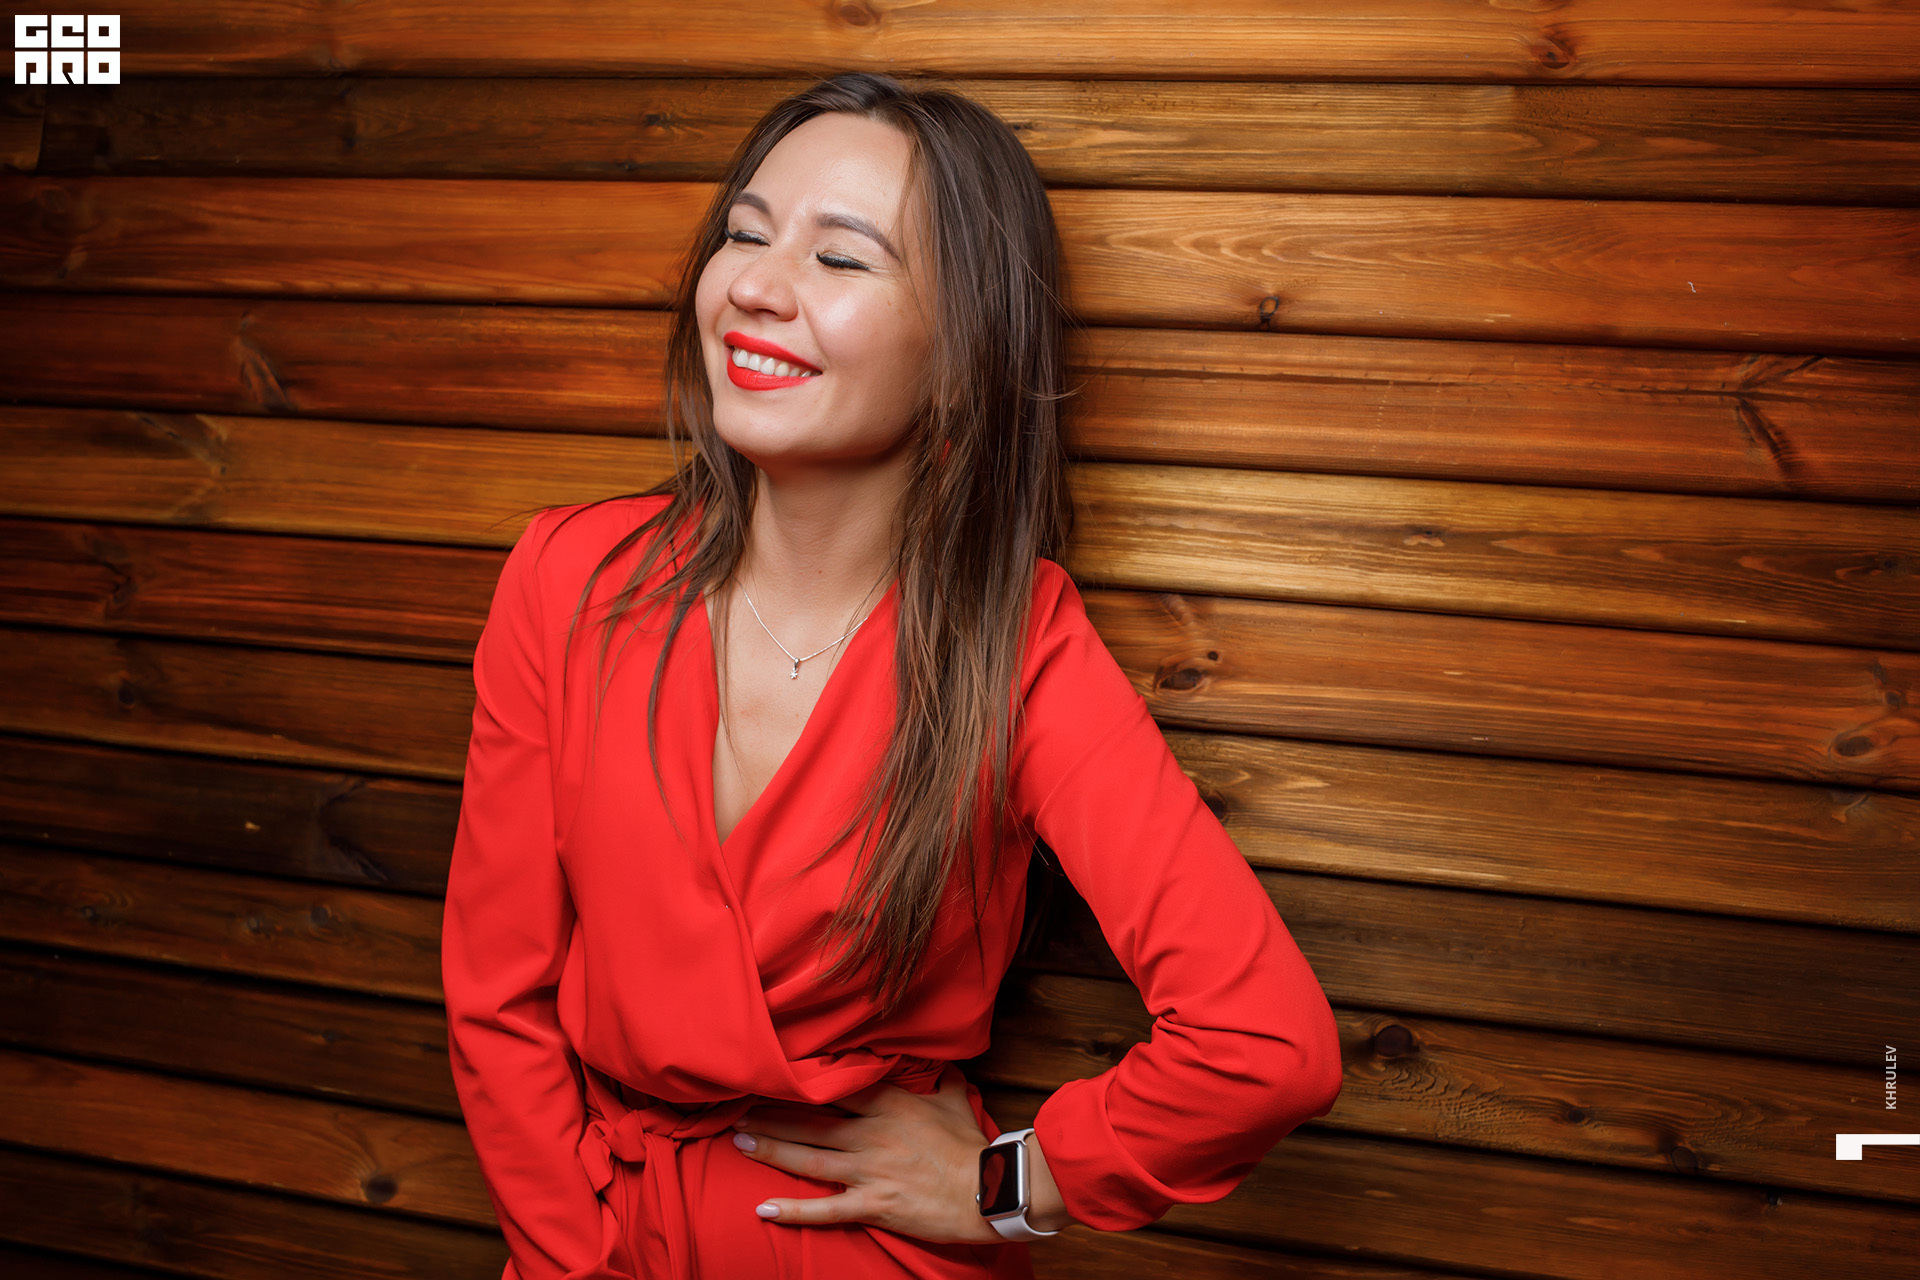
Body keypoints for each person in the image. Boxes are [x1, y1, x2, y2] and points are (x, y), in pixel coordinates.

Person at [441, 71, 1343, 1280]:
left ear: (962, 353)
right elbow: (495, 1000)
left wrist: (1008, 1186)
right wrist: (571, 1260)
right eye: (745, 235)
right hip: (594, 1234)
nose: (755, 286)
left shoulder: (1018, 644)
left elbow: (1264, 1043)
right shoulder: (568, 576)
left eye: (840, 257)